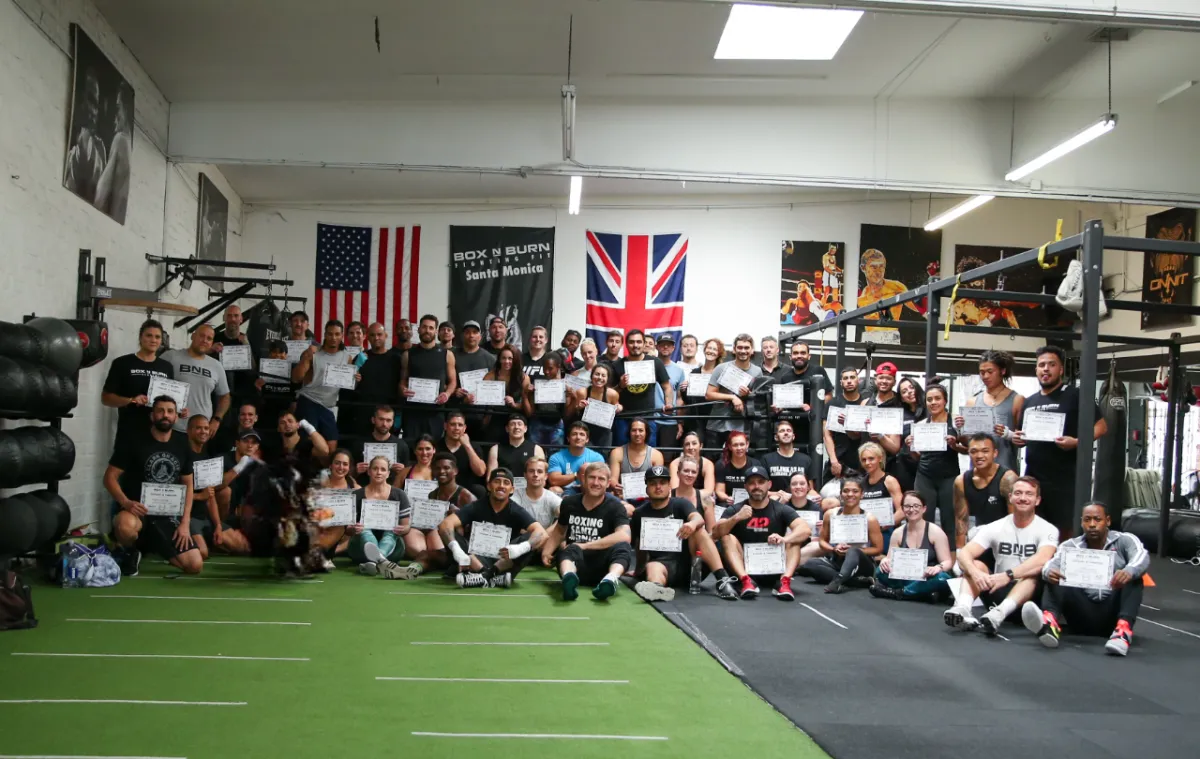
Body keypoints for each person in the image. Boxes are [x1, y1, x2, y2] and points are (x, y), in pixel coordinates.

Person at [1022, 503, 1149, 656]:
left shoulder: (1125, 540)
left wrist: (1129, 571)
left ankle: (1123, 632)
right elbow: (1050, 564)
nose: (1092, 525)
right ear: (1082, 522)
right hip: (1080, 613)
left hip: (1112, 613)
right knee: (1054, 575)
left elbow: (1142, 557)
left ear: (1108, 521)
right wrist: (1049, 572)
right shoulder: (1070, 546)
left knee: (1134, 578)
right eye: (1087, 520)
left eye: (1097, 519)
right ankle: (1049, 625)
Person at [945, 476, 1059, 637]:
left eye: (1029, 494)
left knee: (1032, 575)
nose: (1023, 498)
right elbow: (964, 553)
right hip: (997, 590)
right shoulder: (995, 527)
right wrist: (976, 573)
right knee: (976, 565)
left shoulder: (1048, 529)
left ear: (1037, 500)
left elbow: (1043, 559)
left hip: (1029, 599)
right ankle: (963, 608)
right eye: (1018, 493)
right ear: (1010, 497)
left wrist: (1008, 575)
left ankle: (999, 614)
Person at [1013, 345, 1107, 539]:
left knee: (1064, 532)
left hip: (1064, 479)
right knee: (1033, 530)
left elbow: (1101, 426)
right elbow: (1023, 434)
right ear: (1036, 370)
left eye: (1051, 364)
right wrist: (1018, 439)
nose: (1046, 369)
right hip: (1034, 477)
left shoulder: (1075, 395)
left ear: (1061, 369)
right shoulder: (1029, 401)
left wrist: (1078, 441)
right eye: (1041, 365)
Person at [103, 396, 203, 576]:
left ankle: (153, 546)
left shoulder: (182, 442)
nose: (165, 415)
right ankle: (129, 550)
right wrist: (126, 503)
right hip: (137, 512)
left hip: (166, 516)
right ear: (152, 416)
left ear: (176, 417)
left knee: (194, 565)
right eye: (160, 411)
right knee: (125, 526)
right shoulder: (133, 440)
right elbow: (109, 478)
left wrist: (185, 523)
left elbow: (188, 483)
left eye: (170, 411)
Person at [631, 466, 738, 602]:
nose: (658, 487)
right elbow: (639, 544)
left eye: (662, 483)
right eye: (653, 483)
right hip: (662, 564)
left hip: (691, 564)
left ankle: (722, 579)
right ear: (646, 488)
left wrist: (692, 524)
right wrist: (638, 571)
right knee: (652, 567)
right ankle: (657, 589)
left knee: (699, 530)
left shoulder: (681, 503)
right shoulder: (639, 513)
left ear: (669, 486)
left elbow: (698, 518)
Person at [712, 465, 810, 601]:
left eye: (761, 482)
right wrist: (736, 518)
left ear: (769, 485)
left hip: (775, 568)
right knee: (727, 537)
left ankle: (785, 582)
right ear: (745, 487)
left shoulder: (781, 509)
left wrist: (784, 539)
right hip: (745, 568)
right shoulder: (735, 509)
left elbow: (805, 529)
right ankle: (746, 582)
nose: (756, 486)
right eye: (751, 483)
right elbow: (715, 533)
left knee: (794, 540)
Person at [439, 467, 548, 588]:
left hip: (504, 561)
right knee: (449, 533)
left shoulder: (516, 510)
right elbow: (445, 524)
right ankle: (490, 577)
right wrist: (456, 550)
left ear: (512, 489)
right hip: (476, 558)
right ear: (489, 486)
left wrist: (521, 548)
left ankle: (484, 576)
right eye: (497, 481)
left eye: (506, 483)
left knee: (531, 538)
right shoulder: (476, 506)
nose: (501, 486)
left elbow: (542, 533)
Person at [540, 464, 635, 601]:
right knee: (568, 548)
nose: (596, 482)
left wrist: (585, 545)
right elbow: (560, 530)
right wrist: (547, 551)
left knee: (623, 546)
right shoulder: (569, 503)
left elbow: (624, 535)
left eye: (601, 479)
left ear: (608, 483)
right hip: (576, 564)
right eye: (592, 478)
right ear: (583, 479)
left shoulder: (616, 506)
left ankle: (610, 580)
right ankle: (568, 577)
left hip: (603, 568)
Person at [798, 476, 885, 593]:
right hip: (837, 560)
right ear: (840, 494)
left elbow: (878, 549)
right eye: (846, 491)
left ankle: (838, 581)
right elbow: (822, 541)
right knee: (809, 564)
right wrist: (833, 549)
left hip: (861, 563)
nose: (850, 494)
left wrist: (855, 550)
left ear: (862, 494)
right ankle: (855, 581)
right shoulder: (830, 514)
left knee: (853, 551)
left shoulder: (870, 519)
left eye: (855, 491)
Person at [906, 384, 965, 546]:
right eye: (929, 399)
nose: (933, 402)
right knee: (922, 518)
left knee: (949, 519)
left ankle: (951, 556)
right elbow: (917, 457)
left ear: (945, 400)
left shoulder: (956, 422)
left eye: (937, 398)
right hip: (925, 476)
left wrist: (954, 445)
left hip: (949, 476)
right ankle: (925, 554)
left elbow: (968, 450)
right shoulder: (920, 425)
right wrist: (911, 447)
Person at [102, 319, 174, 450]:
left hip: (158, 433)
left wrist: (179, 409)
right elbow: (106, 398)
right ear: (140, 338)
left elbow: (170, 399)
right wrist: (131, 400)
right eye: (149, 335)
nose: (153, 340)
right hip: (129, 432)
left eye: (157, 337)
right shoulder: (122, 363)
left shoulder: (166, 367)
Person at [870, 491, 953, 602]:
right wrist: (885, 561)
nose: (912, 509)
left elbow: (947, 561)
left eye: (916, 506)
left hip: (927, 577)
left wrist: (938, 568)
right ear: (903, 509)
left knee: (943, 578)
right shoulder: (898, 533)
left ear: (924, 508)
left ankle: (901, 593)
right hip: (906, 576)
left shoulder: (935, 531)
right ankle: (920, 593)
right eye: (907, 506)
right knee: (880, 571)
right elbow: (890, 559)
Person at [955, 350, 1022, 471]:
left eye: (990, 372)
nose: (985, 376)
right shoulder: (972, 402)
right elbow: (967, 443)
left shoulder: (1017, 400)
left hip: (1005, 470)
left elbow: (1024, 439)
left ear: (1002, 371)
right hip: (977, 471)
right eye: (982, 372)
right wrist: (961, 429)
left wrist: (1009, 435)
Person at [162, 325, 231, 438]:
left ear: (212, 342)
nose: (204, 340)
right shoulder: (171, 356)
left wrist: (217, 420)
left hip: (201, 431)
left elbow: (225, 396)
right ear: (193, 336)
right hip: (171, 427)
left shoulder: (216, 366)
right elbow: (154, 385)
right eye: (201, 336)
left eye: (209, 338)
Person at [291, 320, 349, 453]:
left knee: (332, 445)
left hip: (328, 406)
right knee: (309, 444)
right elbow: (296, 378)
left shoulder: (347, 357)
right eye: (330, 334)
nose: (333, 337)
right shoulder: (313, 352)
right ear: (325, 334)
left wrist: (356, 378)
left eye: (337, 334)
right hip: (309, 401)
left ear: (342, 336)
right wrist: (305, 359)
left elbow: (348, 383)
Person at [350, 456, 412, 575]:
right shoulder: (356, 495)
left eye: (383, 469)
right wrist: (354, 528)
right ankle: (380, 561)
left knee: (391, 530)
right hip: (360, 549)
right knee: (364, 529)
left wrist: (402, 529)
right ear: (369, 471)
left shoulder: (399, 494)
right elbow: (348, 530)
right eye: (375, 469)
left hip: (393, 550)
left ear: (388, 474)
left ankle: (374, 562)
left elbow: (406, 527)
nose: (379, 472)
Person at [953, 433, 1018, 547]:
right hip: (981, 535)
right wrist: (960, 551)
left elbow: (1015, 519)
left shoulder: (1008, 479)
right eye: (974, 451)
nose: (979, 456)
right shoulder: (961, 481)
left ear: (995, 453)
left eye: (985, 451)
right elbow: (961, 520)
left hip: (1007, 538)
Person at [612, 329, 674, 447]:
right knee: (621, 452)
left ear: (644, 343)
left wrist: (668, 403)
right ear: (626, 344)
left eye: (639, 342)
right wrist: (620, 386)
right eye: (631, 342)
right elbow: (609, 393)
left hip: (648, 417)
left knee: (649, 452)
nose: (635, 345)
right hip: (623, 418)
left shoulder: (655, 362)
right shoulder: (617, 365)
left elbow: (667, 386)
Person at [400, 314, 457, 442]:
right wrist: (403, 389)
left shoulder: (447, 354)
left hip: (435, 413)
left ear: (436, 331)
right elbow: (402, 381)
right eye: (424, 327)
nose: (427, 330)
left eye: (431, 328)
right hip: (413, 412)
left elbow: (453, 381)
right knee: (411, 447)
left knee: (433, 448)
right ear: (419, 329)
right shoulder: (408, 354)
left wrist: (447, 394)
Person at [704, 333, 763, 450]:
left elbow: (758, 400)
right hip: (717, 424)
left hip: (741, 425)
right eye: (740, 347)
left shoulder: (757, 372)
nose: (743, 351)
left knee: (738, 458)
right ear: (734, 349)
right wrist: (733, 398)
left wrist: (748, 395)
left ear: (752, 350)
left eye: (746, 348)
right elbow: (709, 395)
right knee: (713, 457)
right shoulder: (721, 368)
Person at [348, 323, 403, 442]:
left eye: (379, 334)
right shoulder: (361, 357)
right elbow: (350, 384)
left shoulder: (396, 359)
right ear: (368, 337)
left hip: (388, 414)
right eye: (372, 335)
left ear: (385, 335)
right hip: (364, 413)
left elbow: (402, 383)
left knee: (387, 448)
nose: (376, 338)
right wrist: (355, 379)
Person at [857, 248, 924, 333]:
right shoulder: (862, 297)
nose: (878, 272)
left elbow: (919, 308)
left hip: (891, 337)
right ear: (863, 268)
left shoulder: (896, 287)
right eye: (873, 267)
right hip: (869, 338)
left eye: (881, 266)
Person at [770, 341, 819, 444]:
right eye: (795, 353)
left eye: (803, 353)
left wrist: (813, 407)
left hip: (813, 425)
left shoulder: (818, 371)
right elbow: (783, 403)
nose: (799, 356)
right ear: (790, 356)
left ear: (809, 356)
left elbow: (828, 396)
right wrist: (779, 407)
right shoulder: (785, 377)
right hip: (792, 426)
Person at [315, 449, 358, 561]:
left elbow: (369, 502)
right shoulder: (320, 482)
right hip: (320, 528)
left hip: (341, 533)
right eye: (337, 463)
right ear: (331, 465)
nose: (341, 467)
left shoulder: (353, 486)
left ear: (349, 467)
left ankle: (329, 553)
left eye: (345, 464)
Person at [451, 320, 492, 437]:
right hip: (456, 414)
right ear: (462, 335)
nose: (471, 335)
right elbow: (444, 382)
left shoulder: (490, 359)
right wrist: (454, 391)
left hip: (481, 415)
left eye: (475, 332)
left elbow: (494, 388)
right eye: (468, 332)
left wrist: (489, 414)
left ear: (480, 336)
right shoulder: (451, 355)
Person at [481, 344, 531, 441]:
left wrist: (514, 404)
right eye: (503, 358)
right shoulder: (490, 376)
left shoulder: (524, 378)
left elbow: (528, 405)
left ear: (515, 360)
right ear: (499, 359)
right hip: (496, 417)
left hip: (516, 417)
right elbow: (482, 397)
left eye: (510, 358)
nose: (506, 361)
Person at [823, 366, 864, 481]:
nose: (849, 381)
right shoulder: (832, 403)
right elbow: (827, 435)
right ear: (841, 382)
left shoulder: (865, 402)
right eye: (845, 378)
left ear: (858, 380)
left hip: (861, 459)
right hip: (838, 458)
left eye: (852, 377)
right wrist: (833, 460)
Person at [678, 338, 723, 439]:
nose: (711, 351)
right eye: (709, 348)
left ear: (719, 353)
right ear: (704, 349)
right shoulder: (695, 372)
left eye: (715, 349)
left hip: (713, 420)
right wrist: (684, 390)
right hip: (695, 420)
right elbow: (688, 401)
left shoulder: (720, 373)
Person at [610, 418, 664, 500]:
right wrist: (616, 486)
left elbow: (658, 481)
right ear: (629, 432)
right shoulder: (617, 453)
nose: (637, 434)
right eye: (634, 430)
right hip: (623, 496)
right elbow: (613, 478)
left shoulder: (656, 455)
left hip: (648, 498)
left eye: (641, 430)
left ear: (646, 433)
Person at [436, 411, 487, 498]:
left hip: (466, 491)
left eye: (460, 425)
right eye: (453, 424)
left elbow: (481, 472)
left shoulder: (473, 447)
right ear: (445, 426)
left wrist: (467, 445)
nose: (456, 428)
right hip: (441, 488)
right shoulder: (436, 446)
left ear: (464, 428)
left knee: (480, 490)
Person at [354, 406, 411, 484]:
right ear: (373, 420)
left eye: (388, 420)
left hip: (391, 488)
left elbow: (408, 476)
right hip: (364, 487)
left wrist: (403, 472)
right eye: (381, 419)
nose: (384, 424)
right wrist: (356, 471)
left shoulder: (402, 445)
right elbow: (349, 475)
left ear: (392, 422)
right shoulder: (359, 444)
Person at [548, 422, 607, 496]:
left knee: (586, 467)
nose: (578, 437)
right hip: (565, 490)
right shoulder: (556, 457)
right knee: (554, 490)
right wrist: (577, 475)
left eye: (582, 434)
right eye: (574, 434)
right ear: (568, 438)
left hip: (589, 489)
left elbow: (601, 480)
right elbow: (553, 481)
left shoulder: (597, 457)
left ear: (587, 439)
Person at [573, 363, 621, 449]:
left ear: (607, 378)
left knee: (603, 455)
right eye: (597, 374)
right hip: (585, 431)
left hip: (604, 433)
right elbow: (573, 413)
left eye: (603, 375)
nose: (600, 378)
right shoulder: (582, 392)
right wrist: (579, 407)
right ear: (591, 376)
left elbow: (617, 406)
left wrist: (619, 408)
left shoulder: (612, 394)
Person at [857, 441, 903, 529]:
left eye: (871, 459)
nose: (867, 463)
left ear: (880, 458)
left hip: (887, 530)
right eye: (864, 460)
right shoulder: (861, 483)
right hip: (866, 530)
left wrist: (883, 526)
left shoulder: (890, 481)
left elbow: (901, 511)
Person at [890, 376, 926, 492]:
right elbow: (895, 444)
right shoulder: (900, 415)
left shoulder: (930, 410)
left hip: (927, 462)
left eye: (911, 387)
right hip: (905, 464)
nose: (909, 392)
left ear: (917, 388)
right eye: (904, 391)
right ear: (902, 398)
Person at [762, 420, 812, 500]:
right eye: (782, 431)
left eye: (788, 431)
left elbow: (811, 489)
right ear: (776, 437)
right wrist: (776, 494)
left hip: (799, 500)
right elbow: (761, 490)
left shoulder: (806, 459)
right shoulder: (766, 459)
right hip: (777, 500)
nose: (786, 433)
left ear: (793, 436)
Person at [525, 352, 568, 445]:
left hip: (556, 424)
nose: (547, 371)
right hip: (537, 422)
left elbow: (567, 413)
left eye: (550, 368)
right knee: (535, 451)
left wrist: (572, 396)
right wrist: (527, 394)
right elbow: (530, 412)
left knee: (555, 452)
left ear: (558, 367)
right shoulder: (537, 383)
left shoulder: (565, 386)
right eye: (544, 368)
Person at [255, 340, 298, 431]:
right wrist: (258, 388)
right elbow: (258, 397)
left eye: (281, 352)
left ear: (286, 355)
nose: (277, 355)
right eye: (274, 352)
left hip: (286, 408)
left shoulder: (294, 371)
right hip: (267, 409)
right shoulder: (261, 369)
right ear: (269, 354)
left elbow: (295, 396)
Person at [653, 334, 687, 446]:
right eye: (662, 344)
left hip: (670, 421)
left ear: (673, 348)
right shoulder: (648, 366)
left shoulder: (679, 370)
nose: (665, 347)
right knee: (647, 454)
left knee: (667, 454)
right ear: (657, 346)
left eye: (669, 345)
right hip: (650, 419)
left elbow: (679, 398)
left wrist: (679, 421)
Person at [672, 455, 722, 531]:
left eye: (693, 472)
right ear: (678, 473)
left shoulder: (705, 498)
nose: (690, 475)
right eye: (686, 471)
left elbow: (712, 531)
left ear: (697, 475)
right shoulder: (668, 496)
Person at [714, 431, 764, 506]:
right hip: (728, 503)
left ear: (747, 445)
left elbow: (758, 487)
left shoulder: (755, 464)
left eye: (742, 444)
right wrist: (727, 498)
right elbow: (719, 491)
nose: (739, 448)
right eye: (735, 445)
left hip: (751, 502)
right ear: (730, 446)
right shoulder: (721, 465)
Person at [262, 410, 330, 464]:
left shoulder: (307, 445)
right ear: (278, 429)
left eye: (290, 421)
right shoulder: (274, 447)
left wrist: (308, 427)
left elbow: (324, 451)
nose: (287, 424)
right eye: (282, 423)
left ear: (298, 425)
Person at [512, 456, 562, 528]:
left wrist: (545, 533)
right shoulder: (516, 496)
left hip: (547, 534)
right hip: (520, 534)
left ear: (546, 476)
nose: (535, 474)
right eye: (531, 471)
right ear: (525, 475)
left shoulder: (551, 497)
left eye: (539, 471)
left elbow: (564, 516)